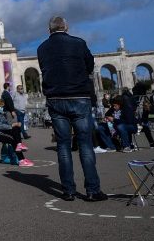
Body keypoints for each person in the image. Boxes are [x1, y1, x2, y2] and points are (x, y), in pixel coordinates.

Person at [36, 16, 107, 202]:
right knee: (85, 144)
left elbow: (45, 69)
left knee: (63, 146)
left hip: (55, 98)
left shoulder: (42, 48)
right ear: (66, 27)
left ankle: (68, 190)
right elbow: (90, 66)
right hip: (79, 97)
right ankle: (92, 190)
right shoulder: (78, 43)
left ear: (49, 29)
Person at [0, 98, 34, 166]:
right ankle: (21, 160)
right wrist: (12, 125)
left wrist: (13, 125)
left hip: (0, 130)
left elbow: (5, 123)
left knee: (16, 129)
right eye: (1, 106)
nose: (2, 108)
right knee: (12, 139)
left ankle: (19, 145)